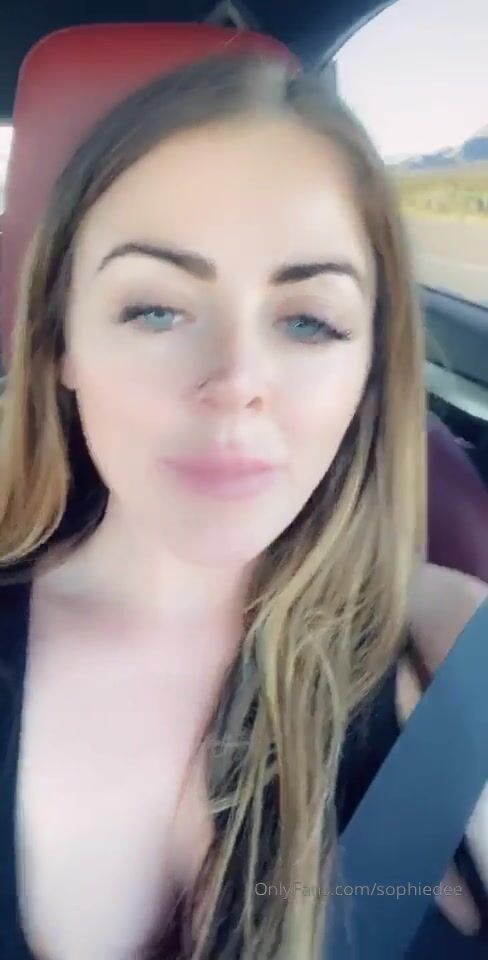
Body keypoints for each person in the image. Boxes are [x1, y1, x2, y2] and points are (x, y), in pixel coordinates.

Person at [0, 51, 486, 960]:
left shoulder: (460, 650)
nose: (235, 383)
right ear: (60, 342)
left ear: (370, 369)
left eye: (309, 321)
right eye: (155, 309)